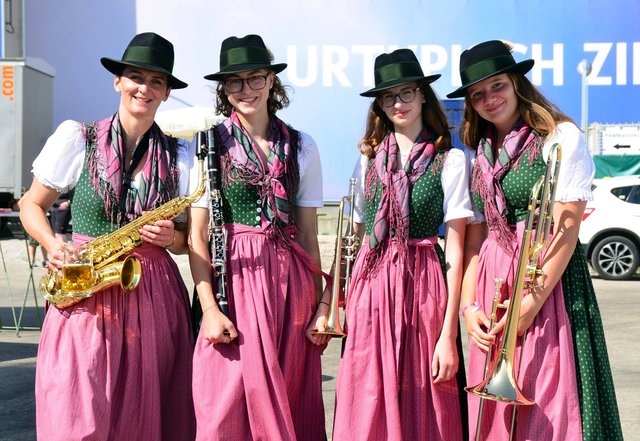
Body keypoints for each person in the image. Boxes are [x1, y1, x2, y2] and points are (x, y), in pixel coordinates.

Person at [18, 32, 196, 440]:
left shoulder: (180, 156)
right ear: (118, 81)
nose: (144, 89)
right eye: (136, 77)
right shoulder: (78, 138)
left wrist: (172, 238)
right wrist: (53, 244)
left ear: (167, 93)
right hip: (85, 286)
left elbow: (188, 242)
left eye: (156, 82)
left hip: (153, 294)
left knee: (146, 415)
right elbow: (31, 205)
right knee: (76, 409)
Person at [448, 40, 623, 440]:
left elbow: (567, 226)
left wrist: (530, 304)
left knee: (549, 401)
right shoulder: (481, 153)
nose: (489, 99)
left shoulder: (559, 137)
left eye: (498, 86)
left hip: (546, 283)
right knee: (493, 411)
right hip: (493, 287)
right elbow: (476, 241)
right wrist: (469, 305)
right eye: (478, 94)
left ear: (516, 83)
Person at [307, 48, 473, 441]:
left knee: (425, 393)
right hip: (371, 284)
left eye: (407, 93)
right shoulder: (367, 160)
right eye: (388, 96)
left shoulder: (451, 161)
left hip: (424, 282)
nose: (398, 103)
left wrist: (449, 334)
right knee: (368, 393)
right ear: (379, 105)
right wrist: (329, 303)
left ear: (422, 96)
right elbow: (353, 235)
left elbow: (455, 248)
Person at [188, 34, 326, 440]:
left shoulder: (302, 145)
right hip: (235, 281)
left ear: (271, 82)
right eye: (234, 82)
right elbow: (197, 236)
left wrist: (320, 304)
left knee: (290, 395)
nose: (246, 89)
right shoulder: (208, 144)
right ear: (223, 90)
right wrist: (209, 308)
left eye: (255, 78)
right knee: (224, 405)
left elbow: (308, 234)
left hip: (291, 288)